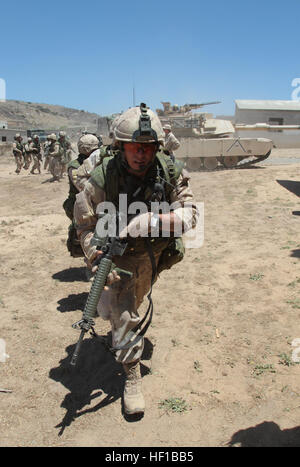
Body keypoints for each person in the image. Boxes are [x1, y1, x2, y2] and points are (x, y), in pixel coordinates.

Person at [73, 103, 198, 416]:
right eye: (134, 147)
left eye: (147, 147)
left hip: (154, 252)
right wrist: (95, 254)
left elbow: (192, 215)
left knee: (127, 304)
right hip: (118, 256)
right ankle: (132, 376)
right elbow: (85, 225)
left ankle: (117, 312)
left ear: (156, 147)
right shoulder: (103, 177)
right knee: (121, 309)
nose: (141, 154)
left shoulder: (168, 169)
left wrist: (152, 222)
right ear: (121, 146)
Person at [63, 133, 100, 257]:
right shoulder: (75, 166)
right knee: (85, 233)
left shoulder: (97, 162)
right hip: (78, 204)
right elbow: (82, 188)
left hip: (93, 202)